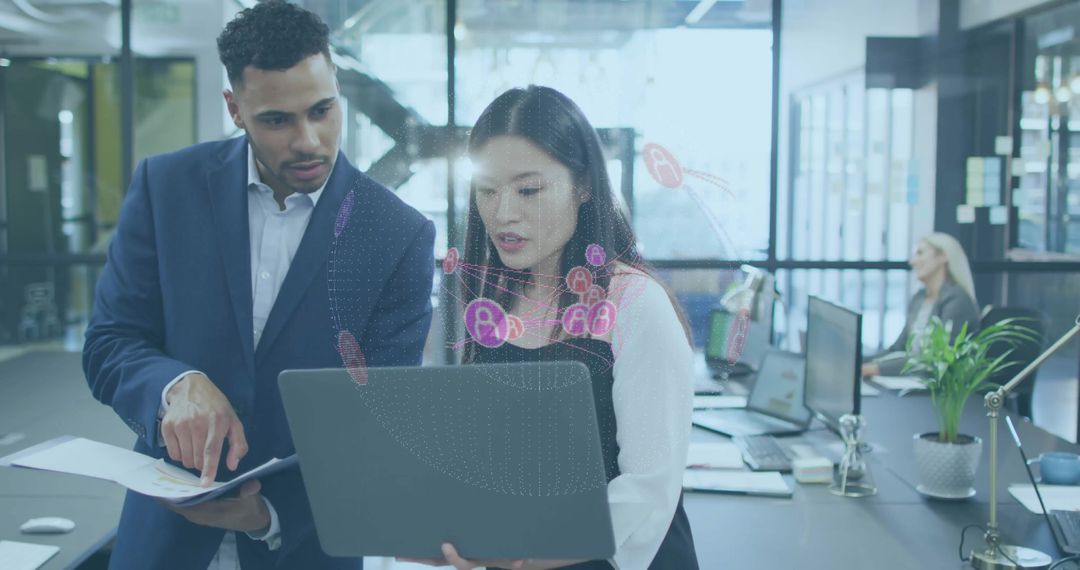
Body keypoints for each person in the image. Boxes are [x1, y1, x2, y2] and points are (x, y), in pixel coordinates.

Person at [82, 2, 435, 568]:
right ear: (235, 108)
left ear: (337, 87)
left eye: (323, 109)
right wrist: (176, 384)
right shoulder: (165, 187)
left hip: (305, 544)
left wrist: (272, 515)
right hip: (163, 542)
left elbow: (379, 426)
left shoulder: (398, 234)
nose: (309, 140)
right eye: (277, 119)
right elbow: (109, 344)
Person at [413, 86, 698, 570]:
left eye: (529, 190)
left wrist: (523, 553)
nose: (504, 213)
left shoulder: (634, 303)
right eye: (487, 190)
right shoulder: (490, 303)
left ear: (584, 184)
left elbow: (648, 492)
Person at [862, 232, 980, 378]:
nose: (913, 262)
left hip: (937, 387)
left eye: (920, 253)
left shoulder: (957, 301)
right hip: (910, 379)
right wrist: (860, 363)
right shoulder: (920, 297)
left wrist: (875, 369)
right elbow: (898, 349)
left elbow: (938, 358)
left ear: (943, 256)